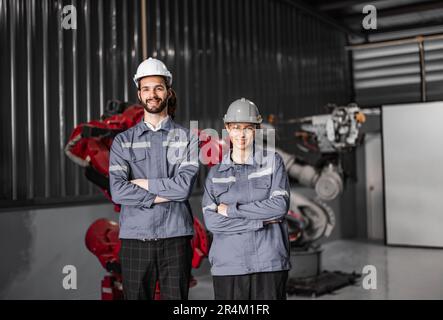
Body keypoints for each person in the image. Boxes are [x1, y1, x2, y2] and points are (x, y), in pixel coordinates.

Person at [109, 57, 199, 300]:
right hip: (136, 239)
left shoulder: (187, 138)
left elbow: (183, 189)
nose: (152, 94)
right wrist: (165, 192)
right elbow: (118, 191)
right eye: (146, 89)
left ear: (168, 92)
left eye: (158, 88)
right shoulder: (123, 141)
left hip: (176, 238)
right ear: (139, 94)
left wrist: (143, 185)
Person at [202, 98, 291, 300]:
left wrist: (231, 211)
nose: (241, 134)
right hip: (229, 265)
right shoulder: (216, 173)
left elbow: (279, 207)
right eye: (235, 127)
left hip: (269, 262)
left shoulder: (273, 162)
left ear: (256, 129)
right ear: (227, 128)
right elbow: (212, 222)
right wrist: (261, 220)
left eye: (248, 128)